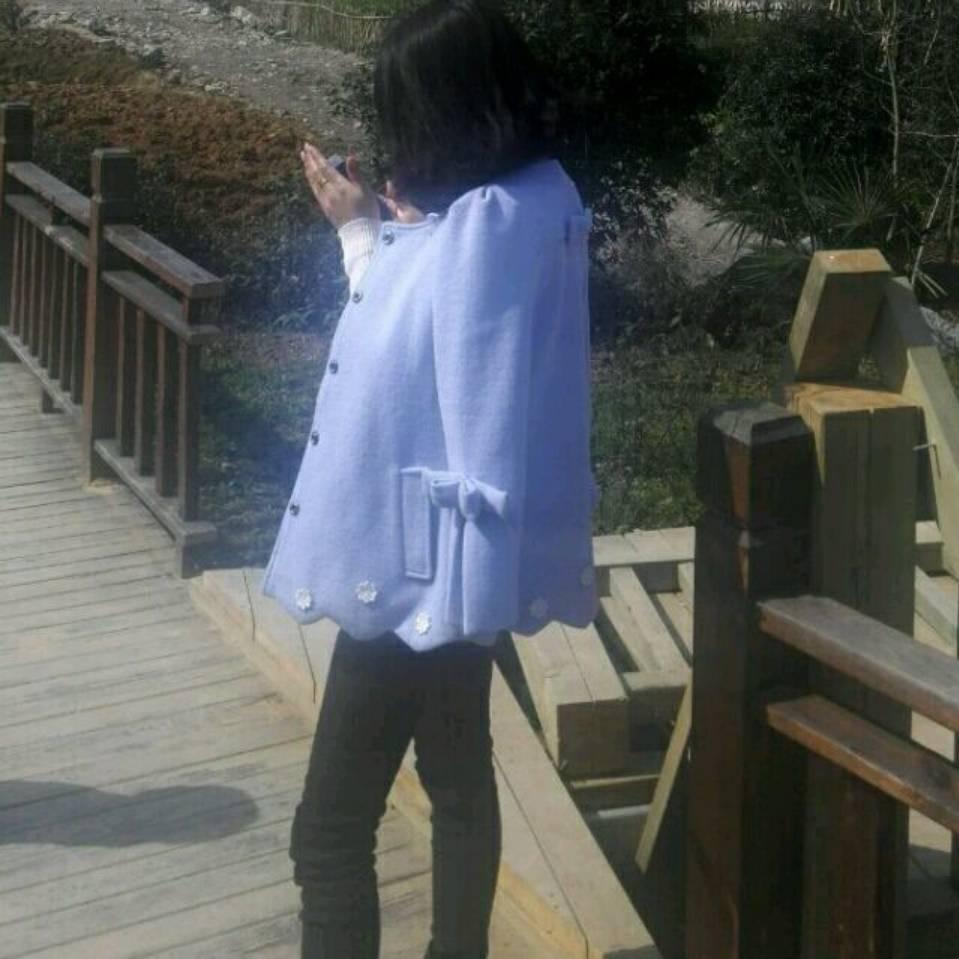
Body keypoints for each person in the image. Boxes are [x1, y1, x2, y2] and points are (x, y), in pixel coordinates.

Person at [259, 1, 599, 956]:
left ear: (446, 105)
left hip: (417, 567)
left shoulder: (487, 225)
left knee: (329, 829)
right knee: (456, 783)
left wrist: (363, 234)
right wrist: (400, 233)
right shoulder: (535, 198)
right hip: (460, 559)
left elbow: (403, 367)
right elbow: (452, 345)